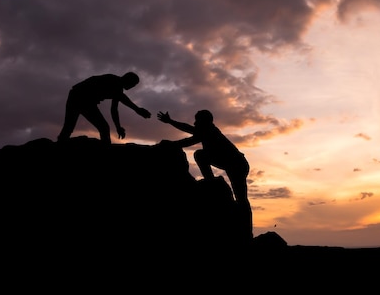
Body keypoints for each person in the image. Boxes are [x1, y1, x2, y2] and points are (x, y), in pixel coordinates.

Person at [157, 109, 252, 239]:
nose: (195, 123)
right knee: (201, 155)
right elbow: (189, 129)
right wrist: (170, 121)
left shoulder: (209, 131)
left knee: (241, 199)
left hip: (237, 165)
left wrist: (171, 143)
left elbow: (188, 140)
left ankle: (246, 231)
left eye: (197, 120)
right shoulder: (205, 130)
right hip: (233, 164)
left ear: (204, 121)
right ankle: (210, 181)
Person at [57, 71, 151, 144]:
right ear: (128, 80)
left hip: (78, 96)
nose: (132, 87)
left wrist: (137, 109)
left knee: (69, 127)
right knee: (103, 128)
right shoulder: (115, 83)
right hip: (82, 98)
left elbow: (120, 100)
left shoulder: (116, 84)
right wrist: (136, 110)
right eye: (133, 85)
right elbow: (115, 108)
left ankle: (61, 141)